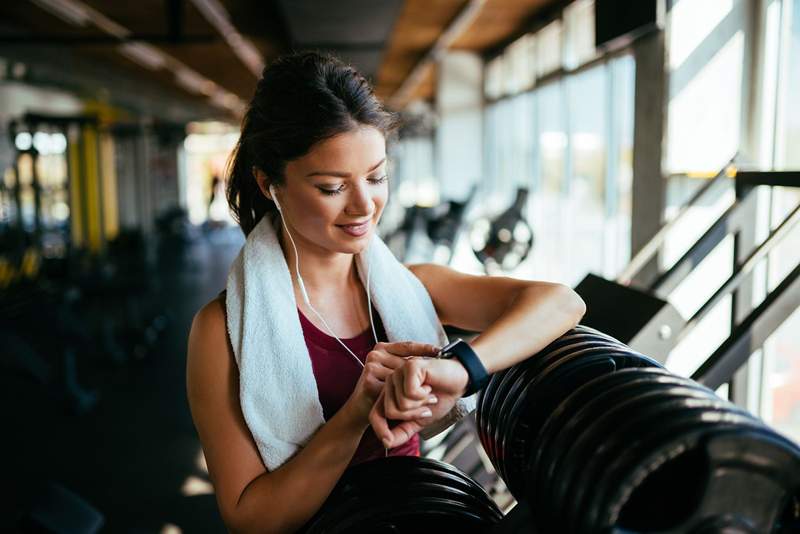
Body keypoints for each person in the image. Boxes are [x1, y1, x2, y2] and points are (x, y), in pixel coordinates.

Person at [185, 51, 586, 534]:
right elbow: (252, 519)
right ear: (270, 183)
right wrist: (357, 414)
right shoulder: (220, 331)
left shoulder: (415, 286)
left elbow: (562, 302)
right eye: (332, 187)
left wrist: (461, 368)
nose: (364, 206)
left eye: (376, 178)